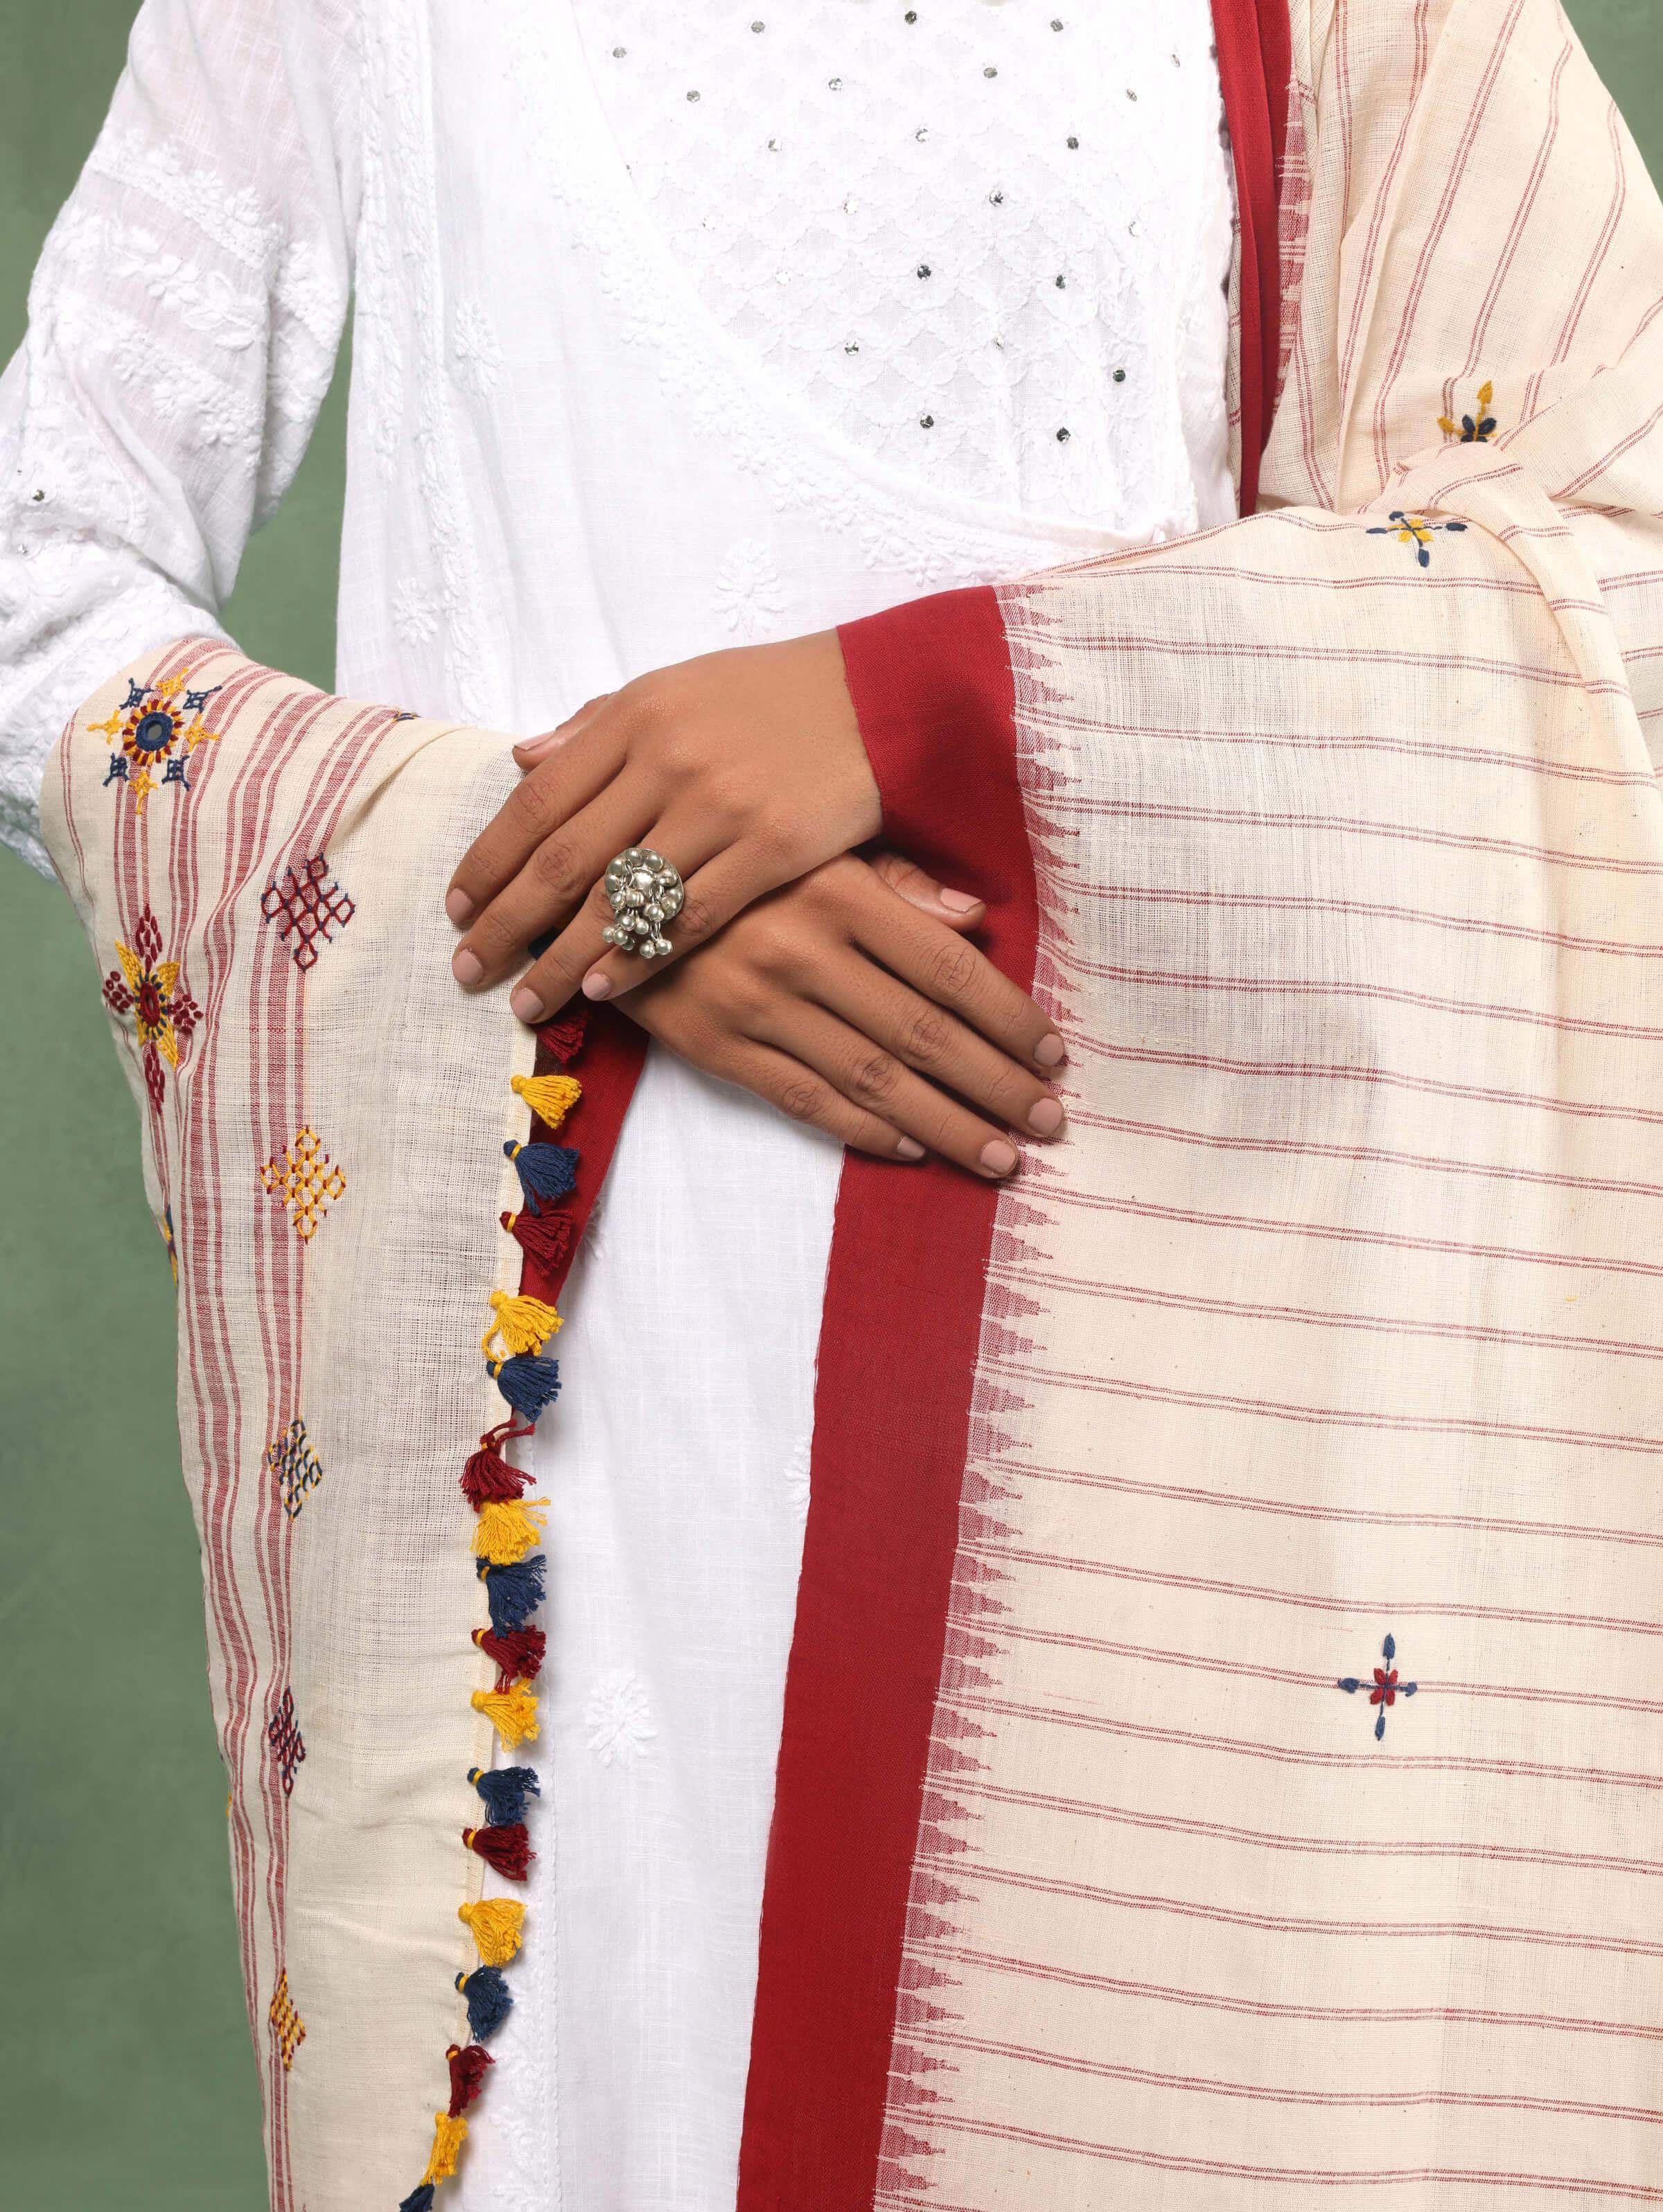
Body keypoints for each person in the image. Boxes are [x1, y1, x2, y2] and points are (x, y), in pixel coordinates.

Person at [12, 1, 1663, 2209]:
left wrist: (910, 715)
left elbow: (1613, 564)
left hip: (1159, 1419)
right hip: (567, 1412)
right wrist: (583, 880)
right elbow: (42, 579)